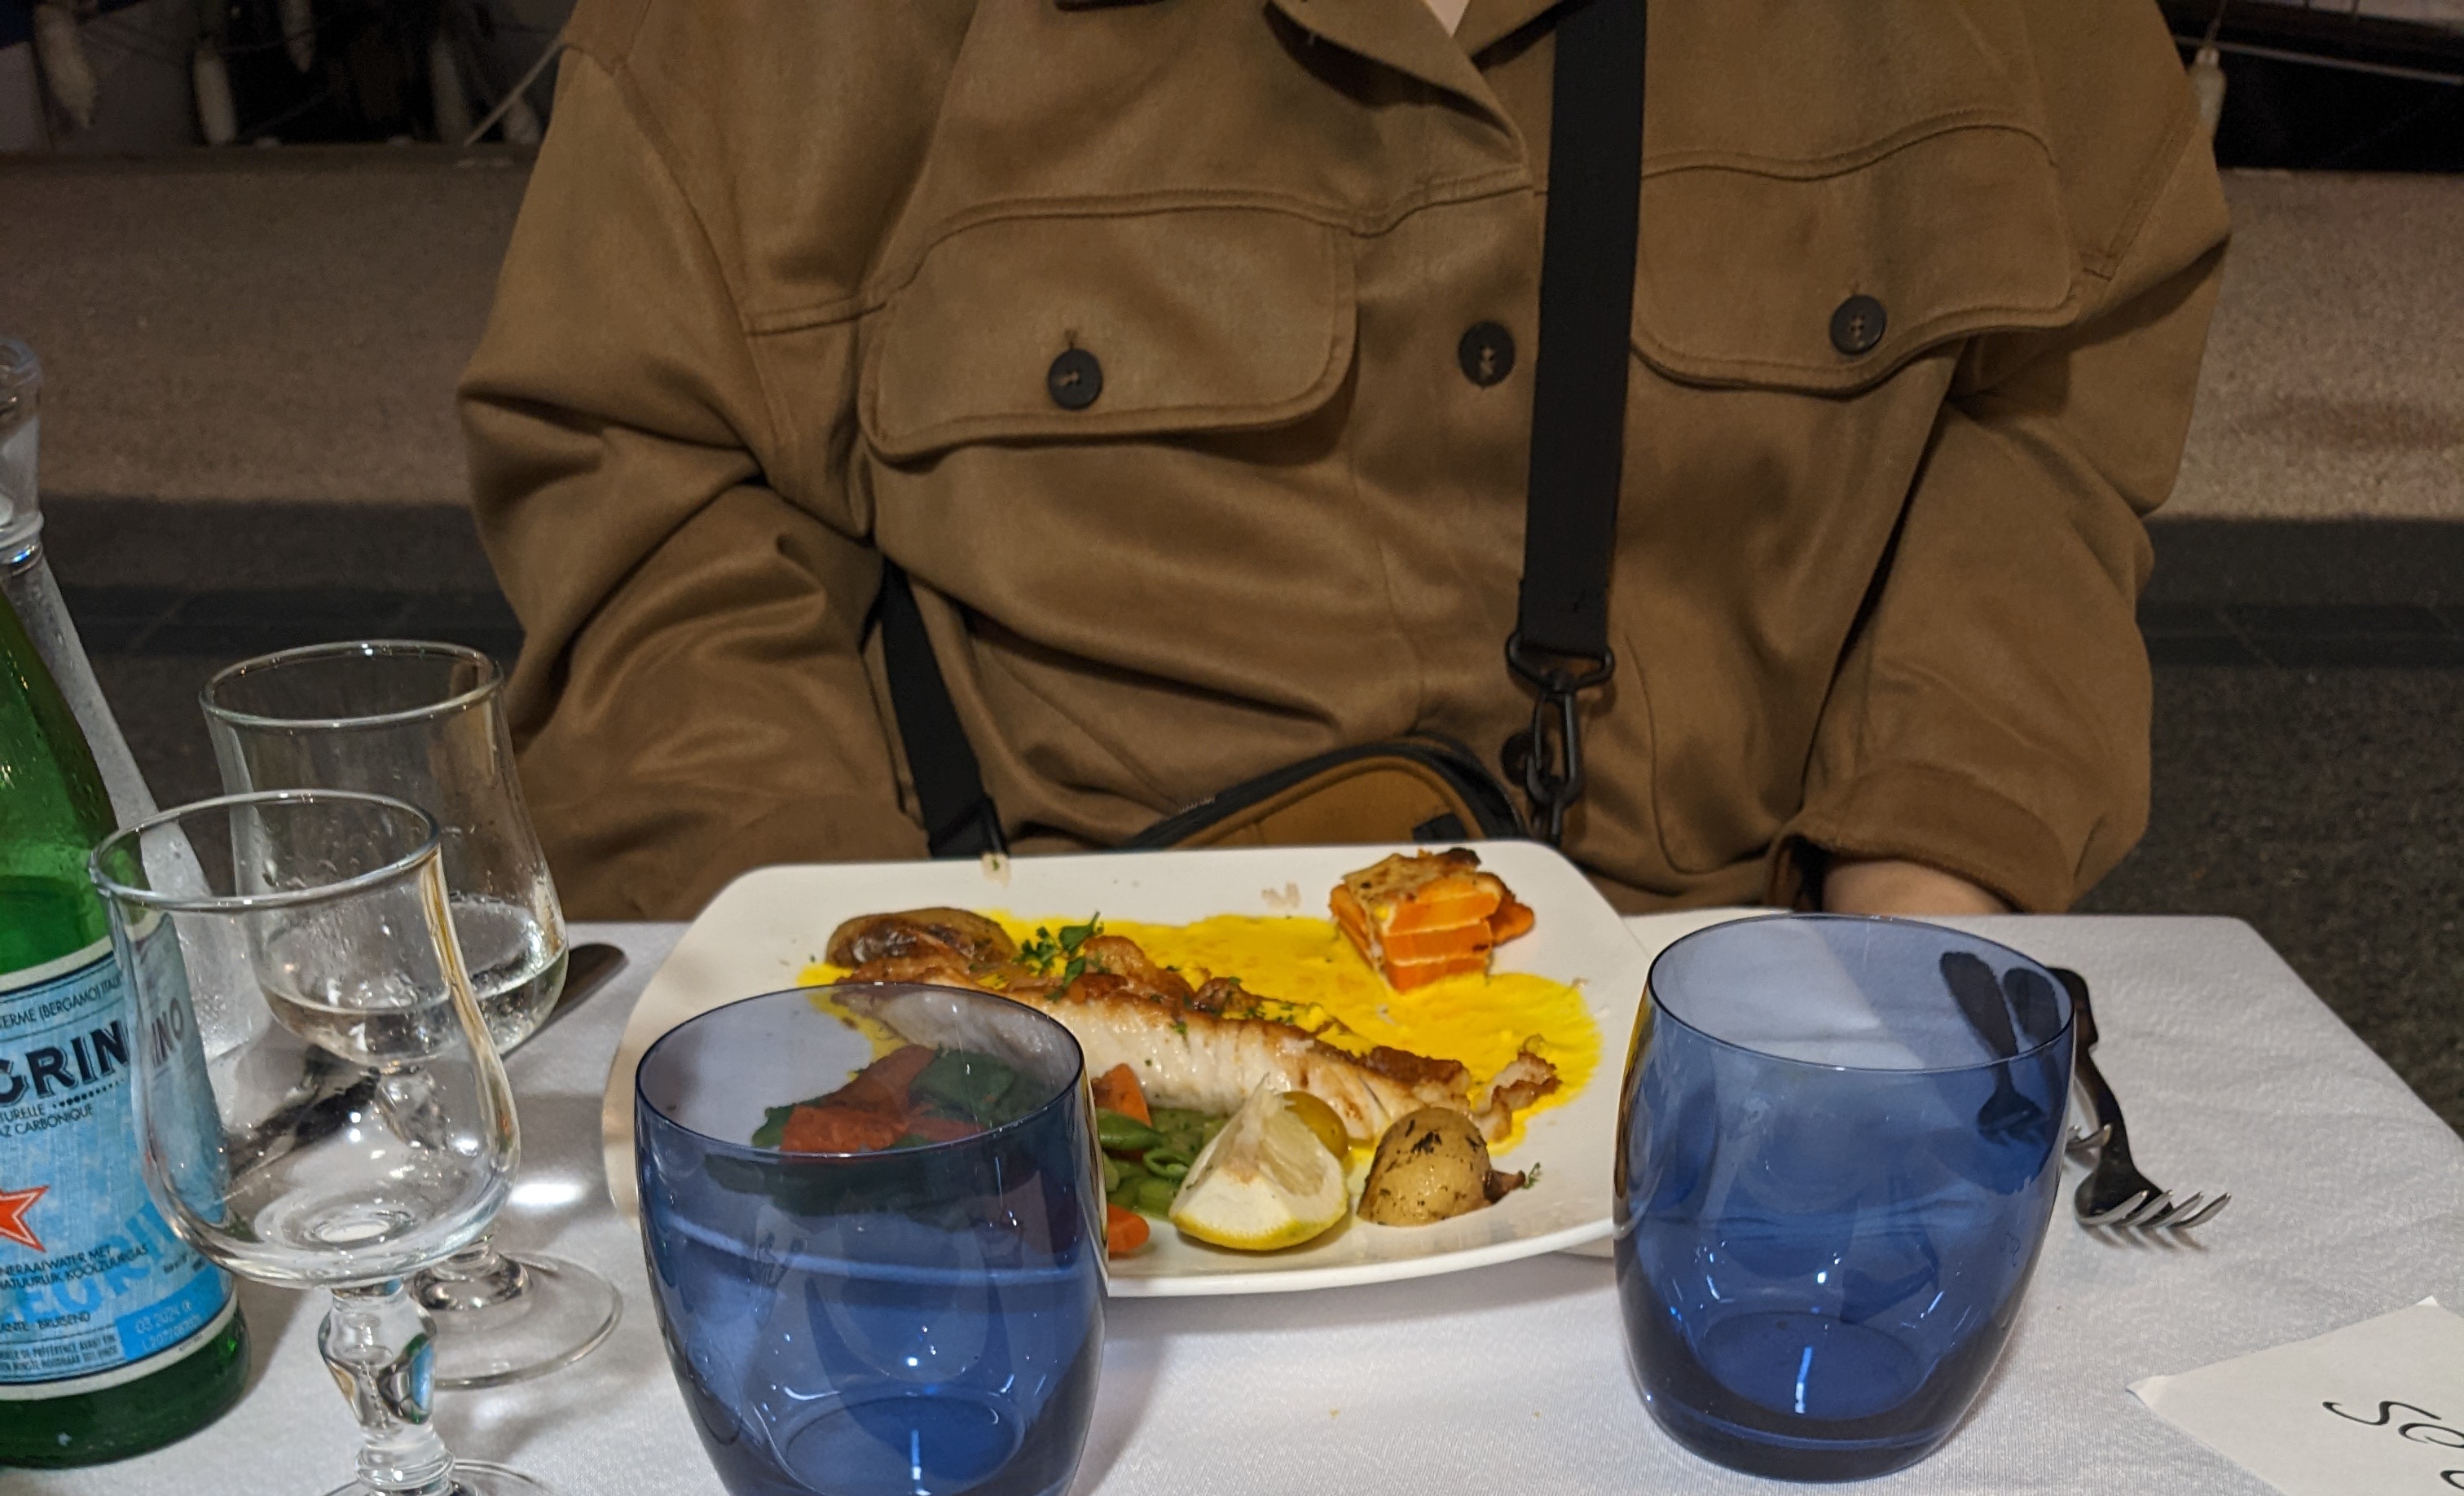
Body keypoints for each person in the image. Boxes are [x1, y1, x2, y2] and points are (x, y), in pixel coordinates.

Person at [460, 0, 2228, 926]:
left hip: (1728, 1041)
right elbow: (645, 478)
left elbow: (2050, 394)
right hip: (1045, 1064)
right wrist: (872, 1014)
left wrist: (1916, 920)